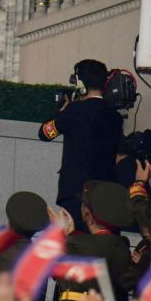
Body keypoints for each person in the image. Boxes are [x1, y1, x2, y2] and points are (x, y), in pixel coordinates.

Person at [37, 59, 124, 222]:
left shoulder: (74, 111)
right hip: (106, 194)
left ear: (81, 84)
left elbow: (44, 133)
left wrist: (62, 110)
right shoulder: (116, 117)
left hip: (75, 193)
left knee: (74, 243)